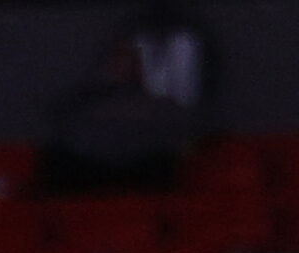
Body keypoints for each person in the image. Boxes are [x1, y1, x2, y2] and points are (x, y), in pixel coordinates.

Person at [34, 41, 193, 195]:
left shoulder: (158, 107)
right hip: (86, 173)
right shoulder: (80, 102)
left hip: (141, 176)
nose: (121, 66)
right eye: (117, 60)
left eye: (127, 60)